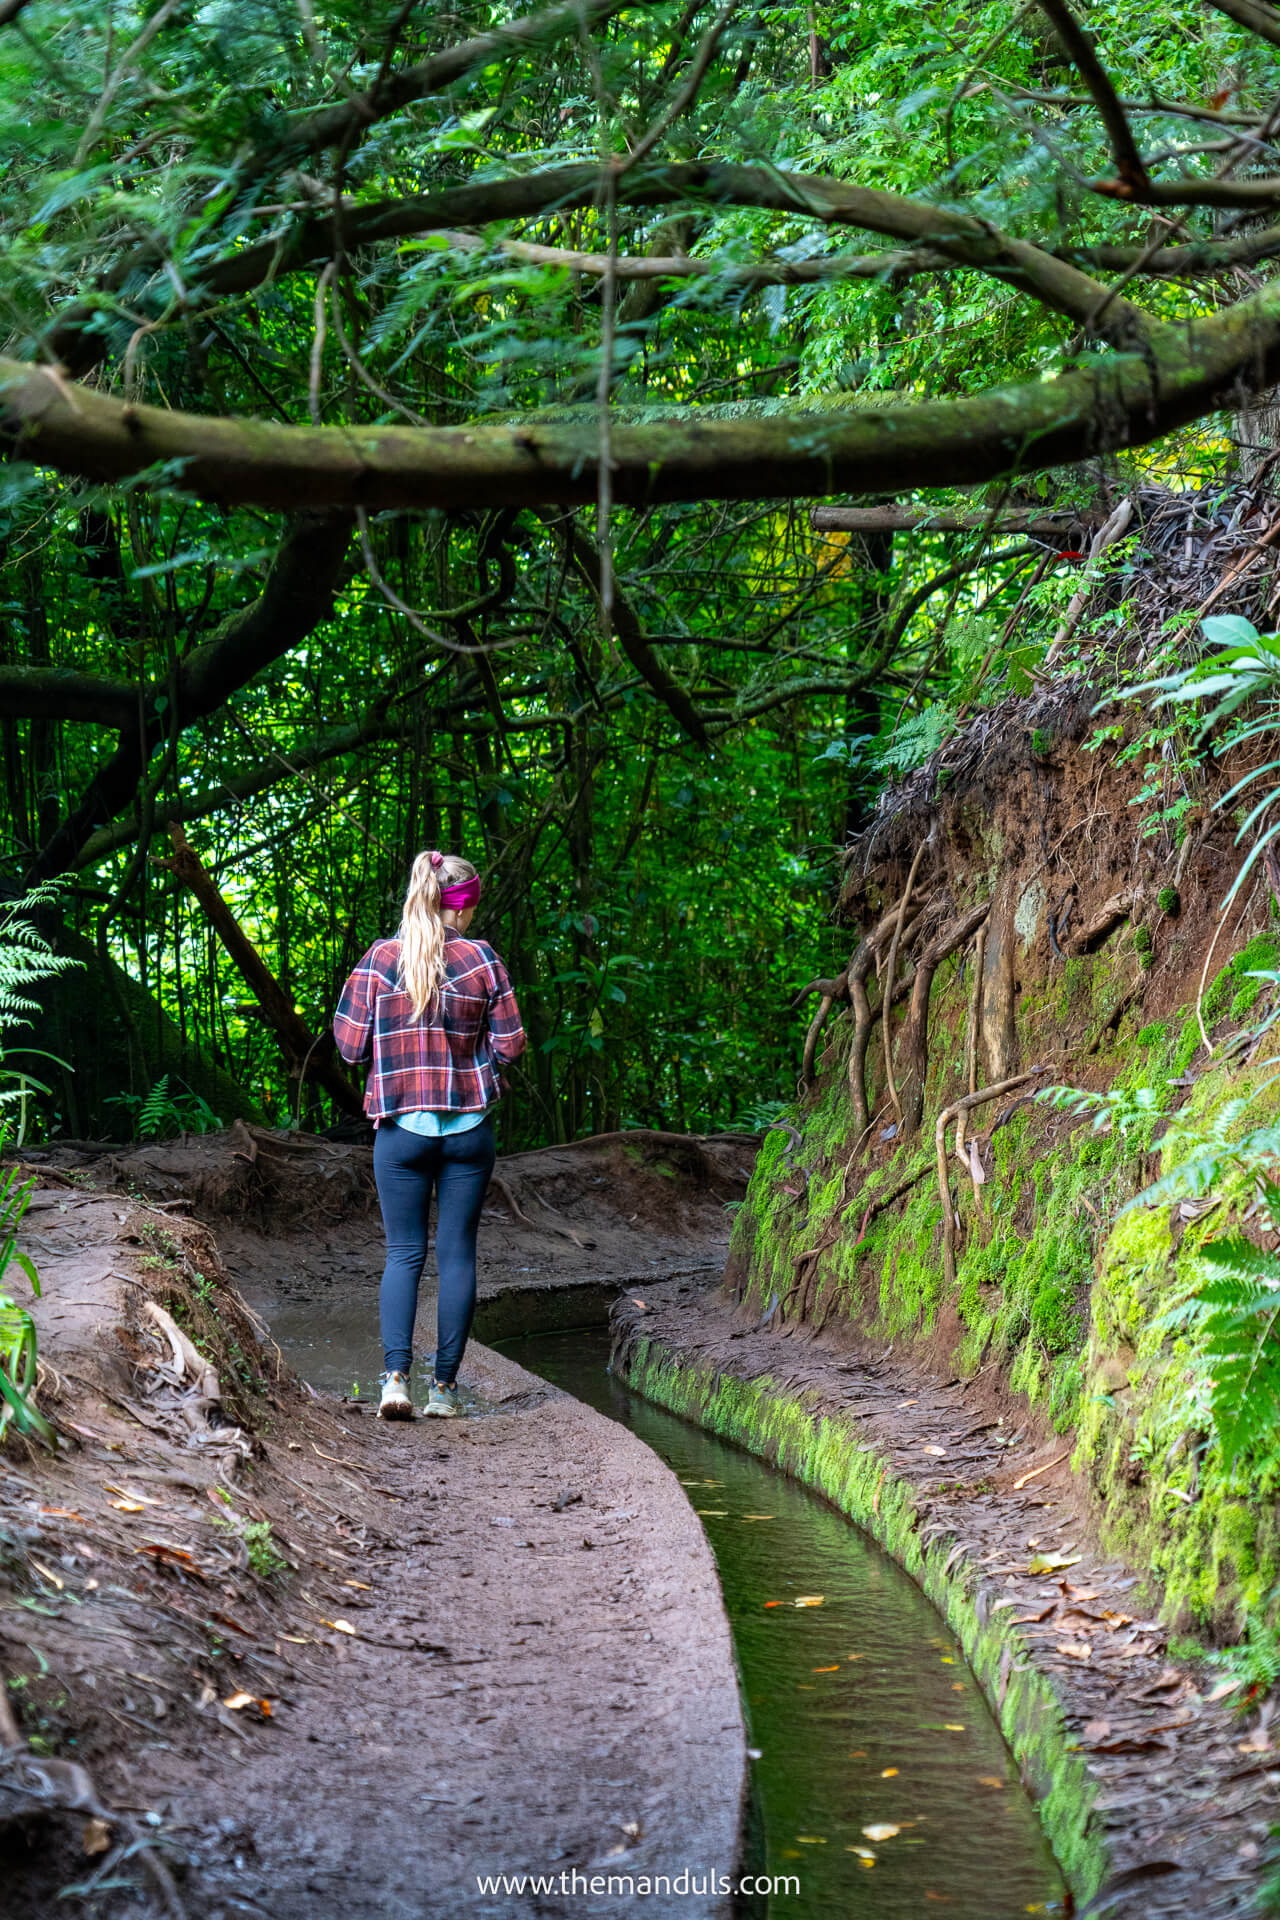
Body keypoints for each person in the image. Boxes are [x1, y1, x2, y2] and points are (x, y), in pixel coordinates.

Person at [333, 850, 525, 1421]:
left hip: (400, 1131)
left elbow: (348, 1047)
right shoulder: (481, 960)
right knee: (457, 1255)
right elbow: (511, 1045)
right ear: (462, 908)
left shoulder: (380, 959)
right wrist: (477, 1064)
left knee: (403, 1253)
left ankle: (395, 1382)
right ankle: (443, 1390)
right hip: (468, 1131)